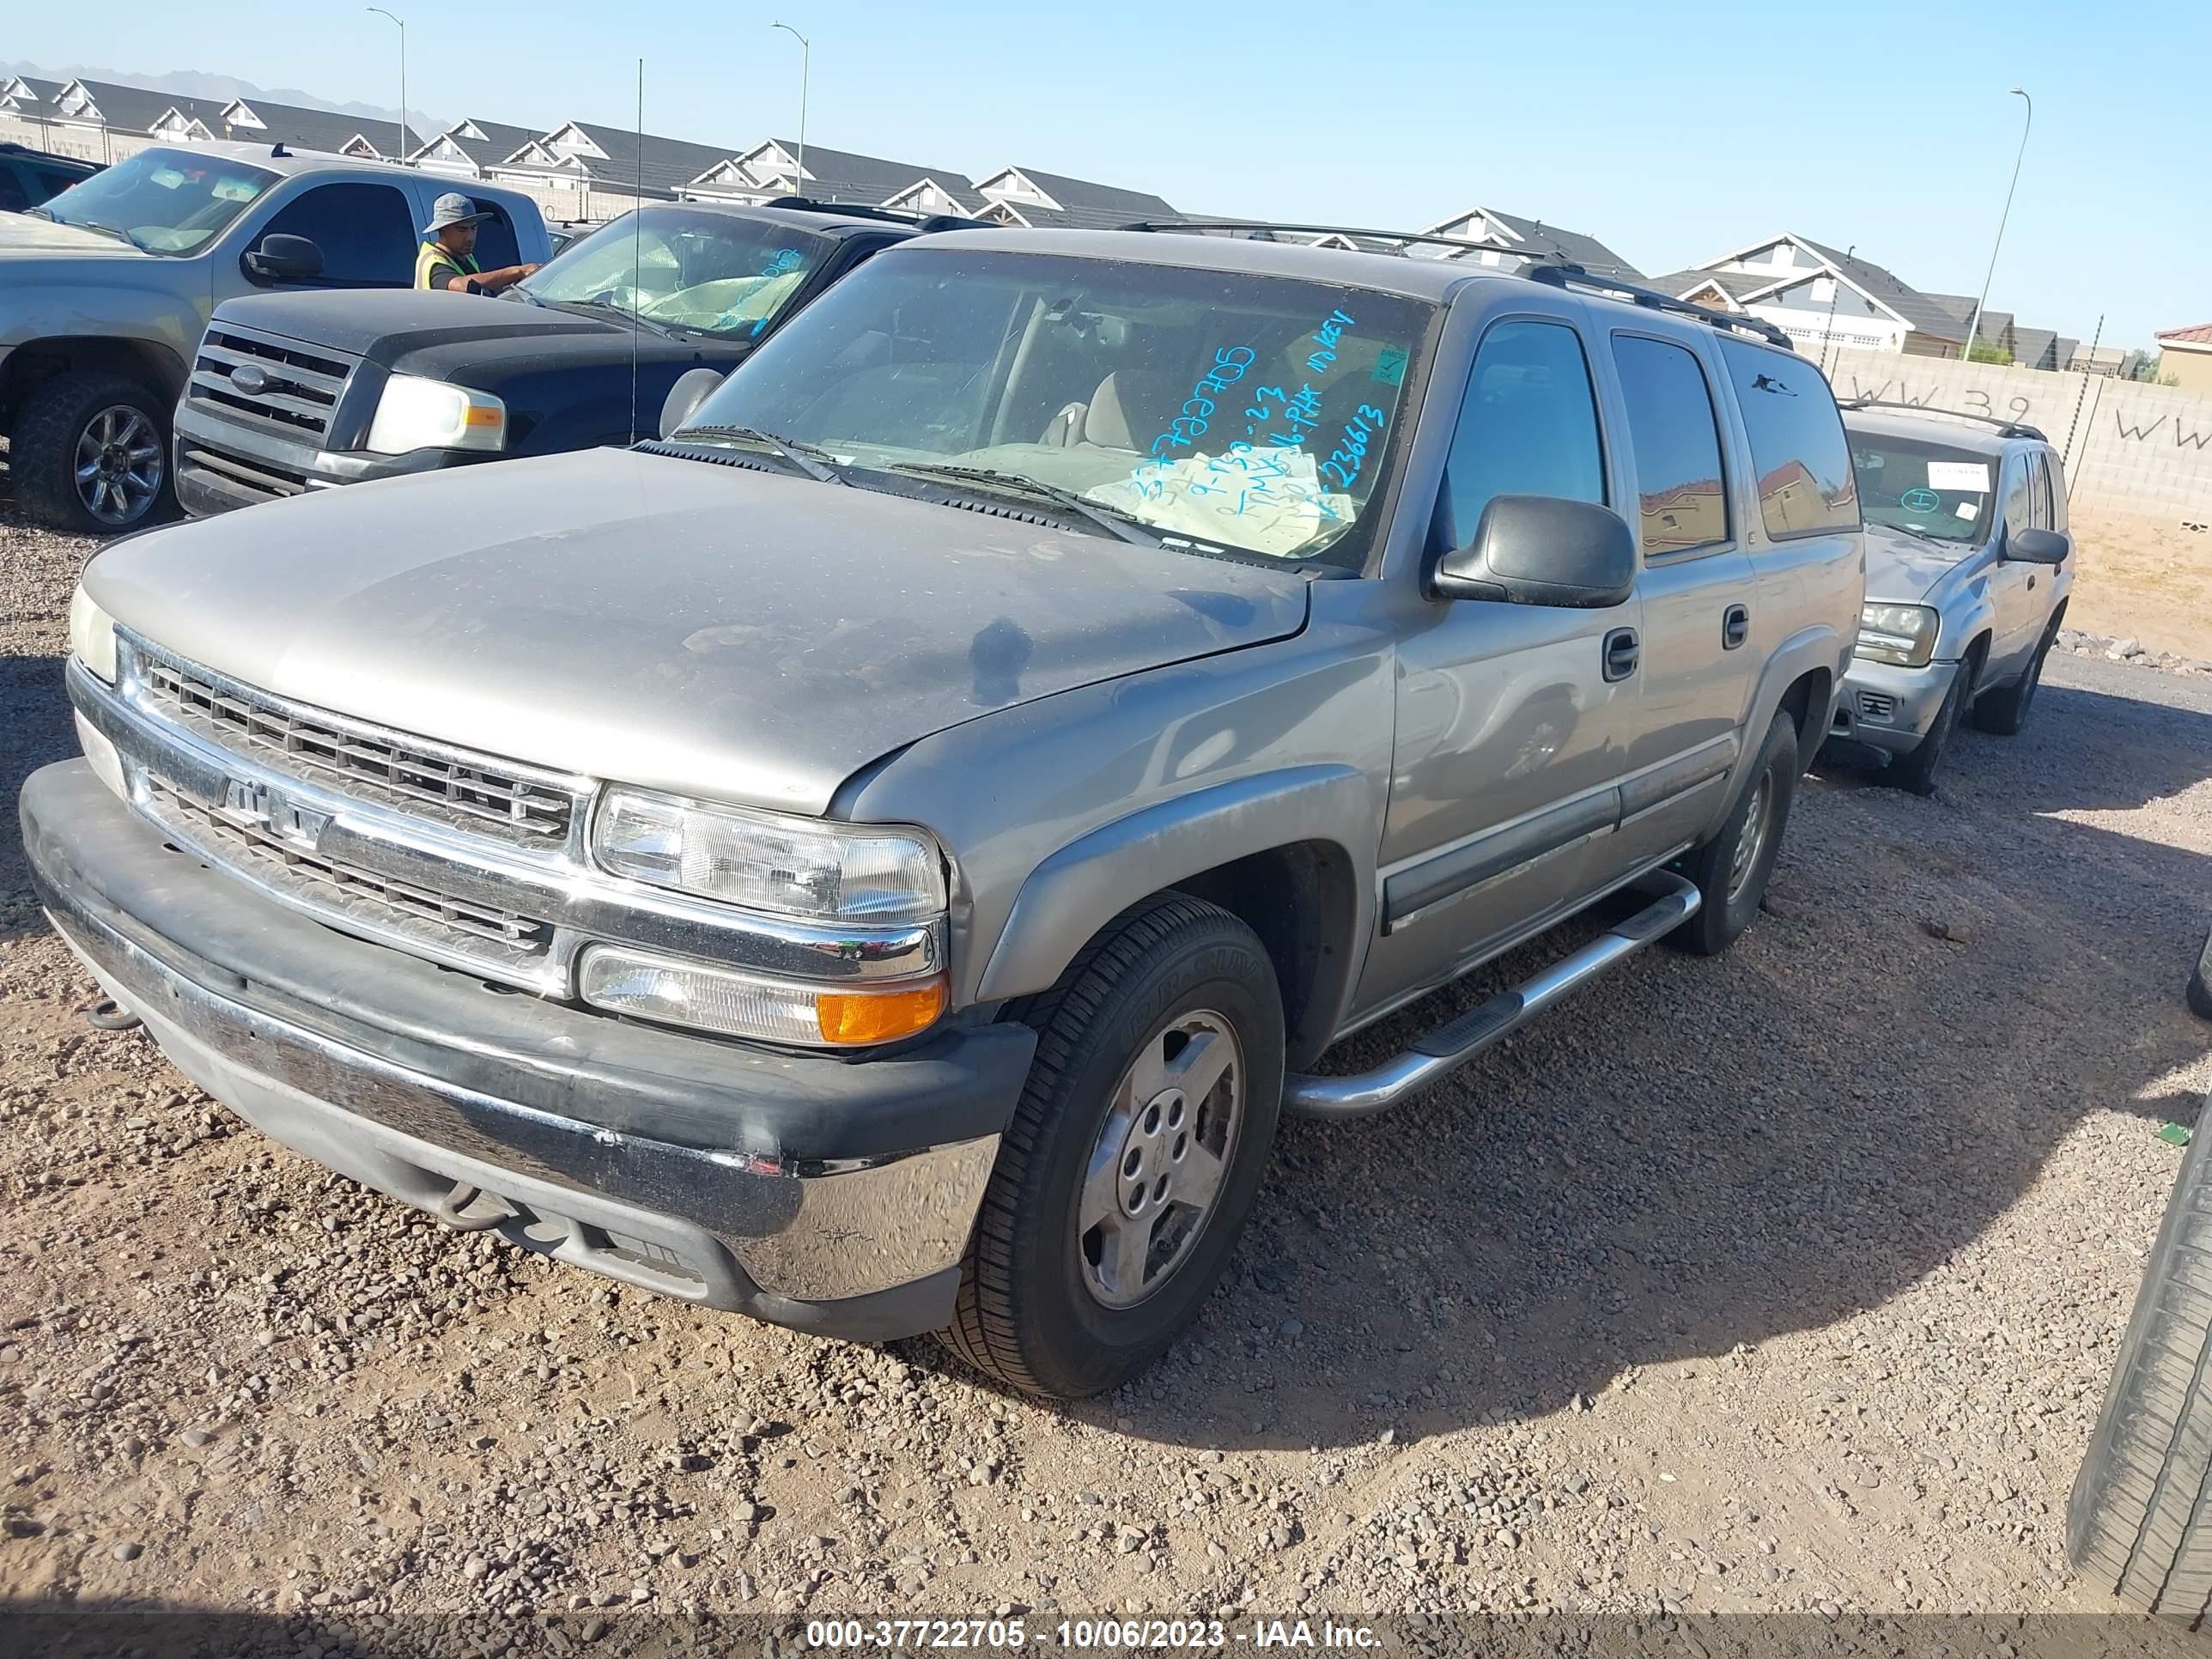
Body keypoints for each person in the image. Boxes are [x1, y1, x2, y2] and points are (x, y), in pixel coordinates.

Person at [415, 192, 538, 295]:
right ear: (442, 230)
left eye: (473, 228)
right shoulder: (435, 262)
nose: (470, 237)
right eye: (462, 230)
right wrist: (517, 272)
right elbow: (461, 285)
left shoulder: (465, 256)